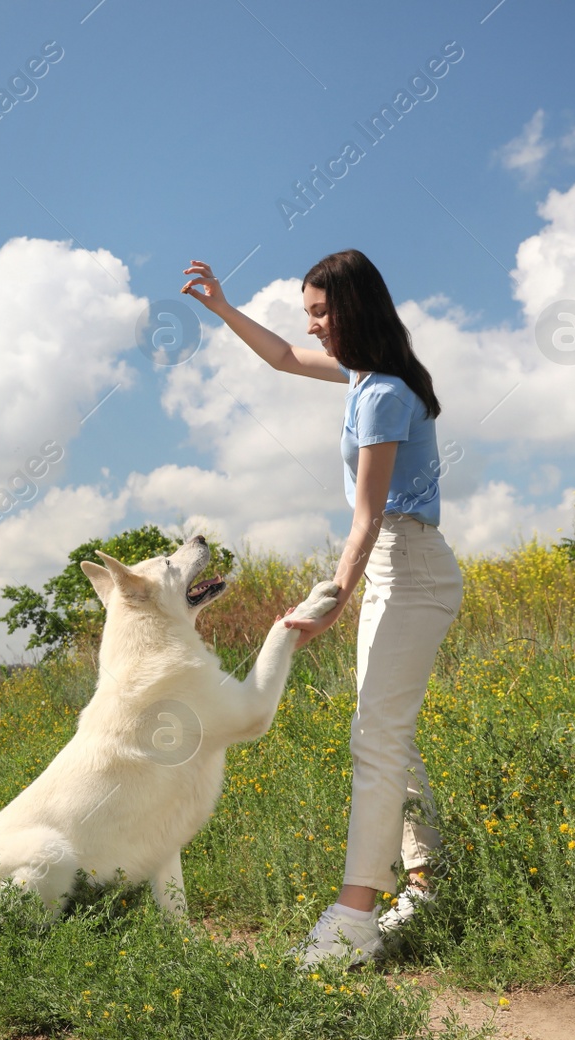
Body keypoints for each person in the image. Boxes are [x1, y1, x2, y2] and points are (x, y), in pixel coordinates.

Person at [181, 249, 463, 965]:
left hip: (412, 567)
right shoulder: (365, 377)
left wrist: (333, 598)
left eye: (318, 312)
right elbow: (278, 356)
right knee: (385, 730)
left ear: (352, 308)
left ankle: (353, 918)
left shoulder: (384, 395)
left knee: (375, 735)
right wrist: (219, 305)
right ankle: (427, 879)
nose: (308, 327)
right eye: (307, 313)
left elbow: (367, 518)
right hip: (400, 569)